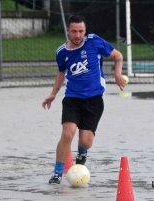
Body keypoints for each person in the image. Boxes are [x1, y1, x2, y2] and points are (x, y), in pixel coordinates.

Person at [42, 14, 126, 184]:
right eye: (74, 31)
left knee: (86, 142)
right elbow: (61, 73)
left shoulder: (95, 41)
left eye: (81, 31)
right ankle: (57, 172)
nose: (78, 35)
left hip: (94, 100)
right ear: (68, 31)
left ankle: (82, 151)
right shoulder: (62, 52)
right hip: (72, 99)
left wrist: (117, 73)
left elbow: (118, 55)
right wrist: (53, 93)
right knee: (68, 134)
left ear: (85, 30)